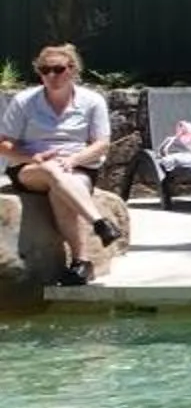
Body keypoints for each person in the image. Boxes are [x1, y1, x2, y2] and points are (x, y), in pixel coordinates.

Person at [3, 43, 120, 286]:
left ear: (73, 70)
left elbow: (101, 144)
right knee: (50, 169)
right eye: (45, 70)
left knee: (60, 192)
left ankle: (81, 263)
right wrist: (31, 157)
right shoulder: (24, 101)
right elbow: (4, 144)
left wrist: (73, 160)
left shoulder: (92, 101)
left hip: (77, 165)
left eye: (57, 69)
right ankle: (99, 223)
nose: (51, 76)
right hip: (31, 168)